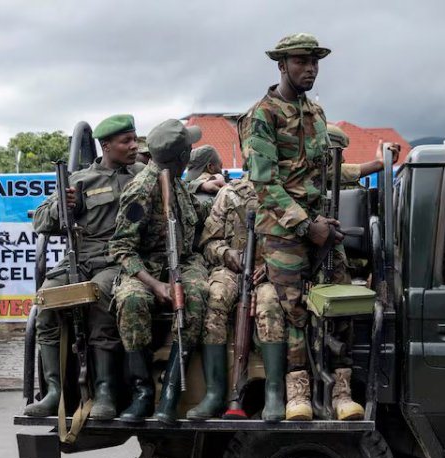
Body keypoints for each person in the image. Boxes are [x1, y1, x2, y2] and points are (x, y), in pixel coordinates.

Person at [241, 32, 370, 422]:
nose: (309, 68)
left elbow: (322, 170)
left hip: (321, 224)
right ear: (281, 65)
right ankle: (298, 393)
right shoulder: (261, 115)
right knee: (293, 310)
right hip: (283, 231)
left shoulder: (316, 113)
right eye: (300, 61)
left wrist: (324, 220)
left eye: (314, 62)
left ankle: (340, 391)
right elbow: (264, 184)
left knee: (340, 299)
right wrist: (304, 224)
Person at [25, 114, 145, 420]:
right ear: (106, 145)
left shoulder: (142, 175)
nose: (133, 146)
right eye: (125, 141)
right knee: (47, 300)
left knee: (99, 299)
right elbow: (40, 221)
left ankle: (104, 392)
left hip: (116, 258)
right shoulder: (79, 180)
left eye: (135, 139)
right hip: (81, 256)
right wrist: (62, 206)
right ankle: (54, 393)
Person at [109, 118, 209, 424]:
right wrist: (156, 286)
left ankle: (170, 392)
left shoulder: (176, 181)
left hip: (184, 260)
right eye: (188, 150)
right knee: (131, 300)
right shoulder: (141, 190)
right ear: (181, 158)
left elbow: (194, 211)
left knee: (197, 294)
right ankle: (142, 393)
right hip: (146, 267)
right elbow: (122, 248)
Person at [188, 169, 258, 420]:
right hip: (231, 269)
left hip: (271, 271)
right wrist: (226, 253)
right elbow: (209, 243)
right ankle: (215, 394)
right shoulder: (229, 194)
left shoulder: (283, 194)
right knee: (214, 298)